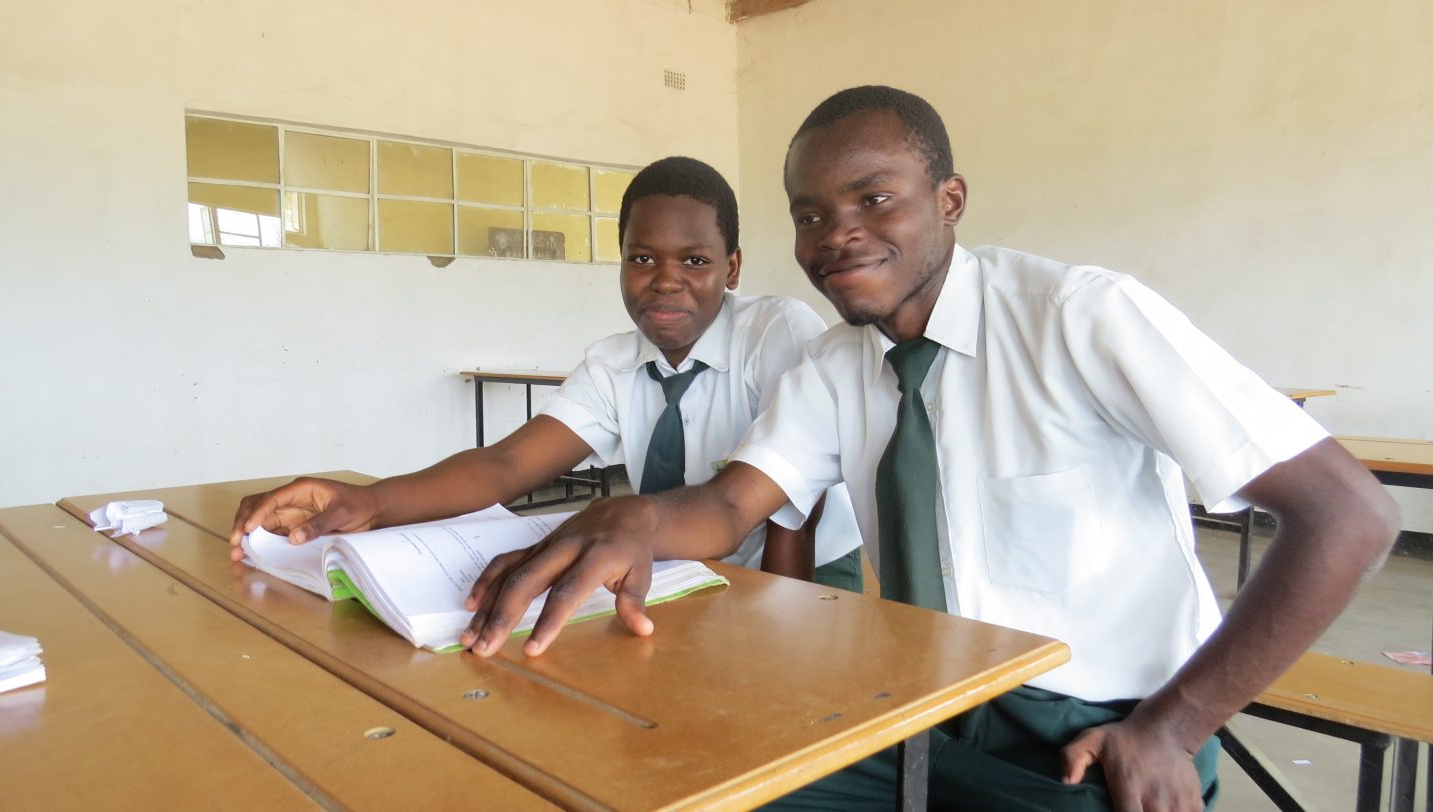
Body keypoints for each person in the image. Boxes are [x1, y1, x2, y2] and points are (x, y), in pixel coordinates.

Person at [459, 87, 1400, 811]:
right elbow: (731, 504)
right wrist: (632, 519)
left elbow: (1351, 517)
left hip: (1092, 734)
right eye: (810, 213)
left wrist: (1173, 727)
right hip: (915, 712)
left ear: (949, 199)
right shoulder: (836, 364)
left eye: (874, 198)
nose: (838, 235)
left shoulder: (1078, 318)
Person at [228, 156, 865, 590]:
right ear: (620, 265)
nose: (666, 278)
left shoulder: (777, 331)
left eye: (694, 259)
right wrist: (368, 501)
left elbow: (794, 508)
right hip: (673, 565)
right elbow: (506, 466)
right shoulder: (615, 363)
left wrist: (781, 615)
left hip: (801, 572)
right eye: (642, 257)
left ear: (732, 269)